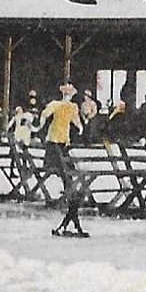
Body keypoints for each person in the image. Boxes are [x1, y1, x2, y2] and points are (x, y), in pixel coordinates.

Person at [40, 83, 87, 237]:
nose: (68, 96)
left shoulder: (72, 107)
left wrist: (80, 127)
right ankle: (70, 199)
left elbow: (76, 120)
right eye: (67, 94)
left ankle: (69, 195)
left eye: (70, 94)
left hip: (62, 139)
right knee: (64, 170)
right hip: (55, 140)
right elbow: (45, 114)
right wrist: (40, 123)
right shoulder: (57, 105)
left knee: (67, 171)